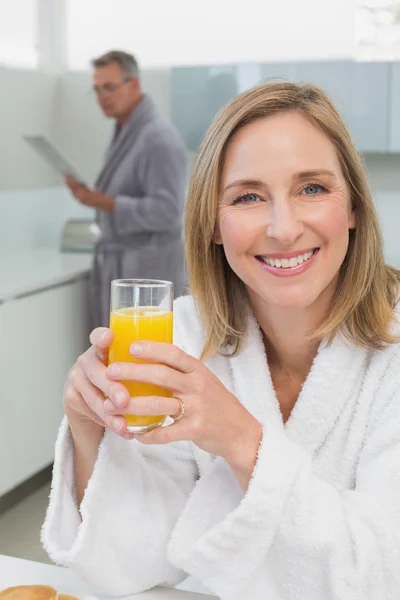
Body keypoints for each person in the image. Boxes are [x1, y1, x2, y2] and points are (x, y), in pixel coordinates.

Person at [42, 81, 400, 600]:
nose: (282, 228)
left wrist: (241, 441)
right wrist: (87, 427)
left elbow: (386, 573)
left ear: (353, 209)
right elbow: (131, 564)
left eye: (312, 188)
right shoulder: (185, 337)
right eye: (248, 196)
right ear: (212, 222)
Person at [65, 50, 187, 328]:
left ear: (134, 84)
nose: (101, 97)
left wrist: (106, 203)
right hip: (127, 268)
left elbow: (168, 211)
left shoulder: (158, 138)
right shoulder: (126, 131)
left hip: (147, 273)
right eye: (96, 89)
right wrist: (94, 199)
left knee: (144, 361)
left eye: (109, 87)